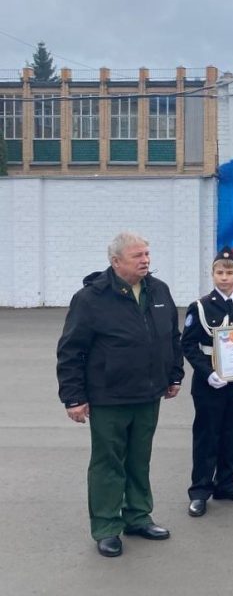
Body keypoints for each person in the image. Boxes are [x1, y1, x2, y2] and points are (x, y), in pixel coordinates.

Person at [56, 232, 183, 558]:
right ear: (115, 261)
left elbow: (171, 336)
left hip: (148, 394)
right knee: (108, 463)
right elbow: (71, 350)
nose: (146, 260)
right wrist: (74, 397)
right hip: (109, 396)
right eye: (137, 255)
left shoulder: (159, 290)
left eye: (147, 254)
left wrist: (174, 374)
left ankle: (138, 516)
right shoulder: (91, 298)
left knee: (139, 459)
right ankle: (106, 526)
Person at [181, 246, 233, 518]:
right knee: (207, 435)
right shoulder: (200, 306)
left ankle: (226, 483)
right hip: (210, 380)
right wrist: (207, 373)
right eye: (219, 272)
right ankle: (200, 491)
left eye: (229, 272)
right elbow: (188, 345)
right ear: (212, 274)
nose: (224, 277)